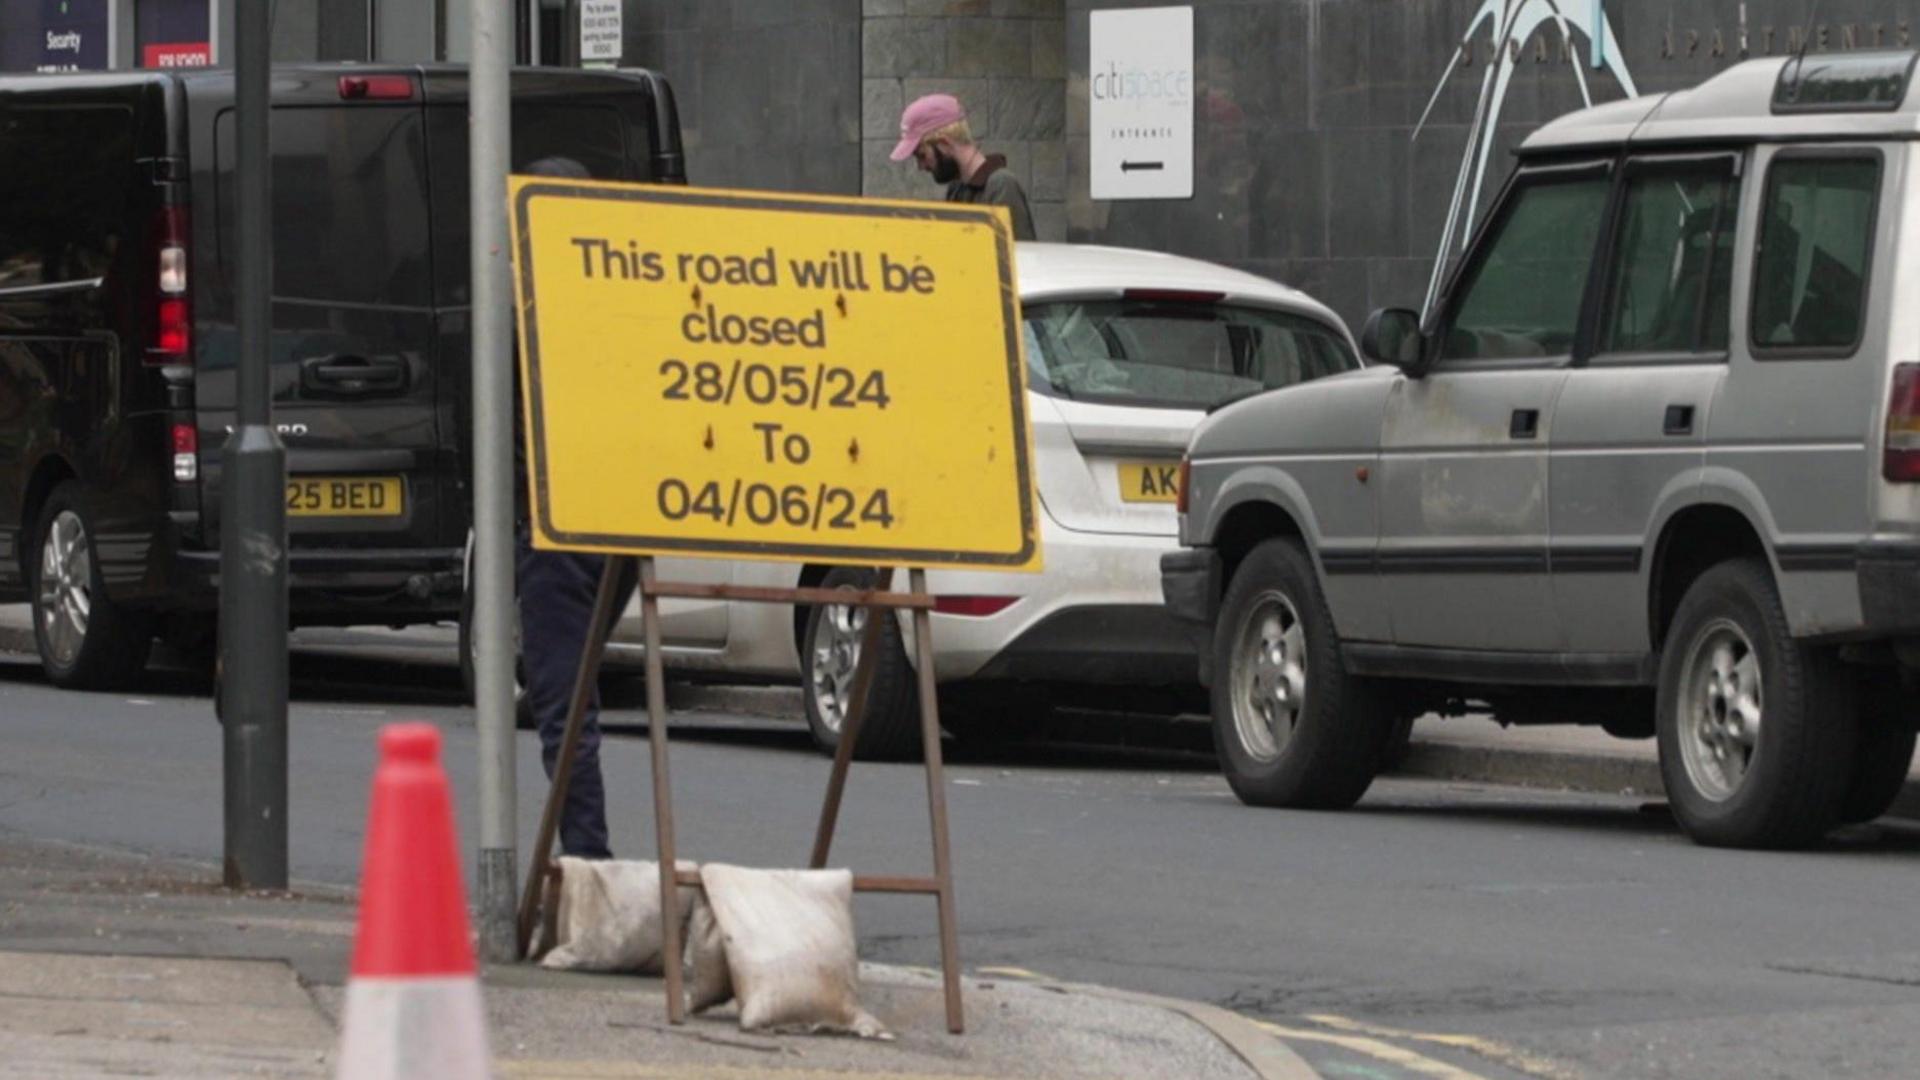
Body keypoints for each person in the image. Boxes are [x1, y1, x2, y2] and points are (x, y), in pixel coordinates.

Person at [513, 154, 626, 859]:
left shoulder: (534, 306)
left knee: (565, 706)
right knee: (572, 695)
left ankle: (590, 866)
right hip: (620, 525)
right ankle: (589, 860)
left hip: (555, 528)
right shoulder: (619, 303)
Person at [890, 93, 1036, 241]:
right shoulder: (957, 189)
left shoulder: (1001, 185)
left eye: (921, 155)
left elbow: (1020, 257)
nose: (921, 166)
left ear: (944, 144)